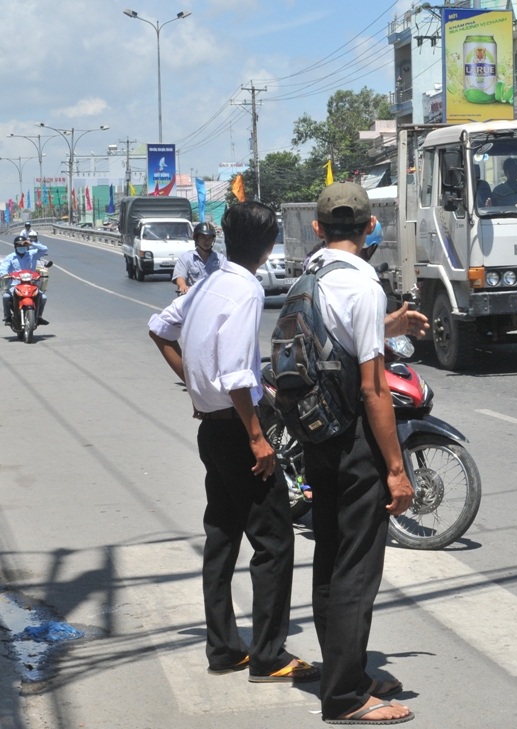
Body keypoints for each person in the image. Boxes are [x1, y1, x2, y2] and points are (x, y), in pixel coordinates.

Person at [147, 202, 319, 685]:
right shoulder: (244, 288)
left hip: (212, 427)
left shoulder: (208, 282)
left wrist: (196, 387)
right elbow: (239, 374)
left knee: (222, 537)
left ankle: (224, 648)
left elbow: (159, 328)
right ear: (268, 247)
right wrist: (257, 437)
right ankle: (268, 656)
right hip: (240, 428)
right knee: (274, 542)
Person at [303, 182, 425, 725]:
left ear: (318, 227)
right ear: (370, 226)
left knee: (330, 555)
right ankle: (347, 696)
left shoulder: (311, 274)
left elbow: (340, 341)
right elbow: (375, 389)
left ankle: (341, 671)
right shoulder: (364, 284)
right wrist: (396, 470)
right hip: (353, 436)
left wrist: (389, 324)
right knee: (358, 566)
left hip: (316, 432)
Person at [2, 234, 49, 325]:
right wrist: (4, 274)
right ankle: (7, 317)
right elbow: (3, 268)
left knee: (43, 297)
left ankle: (39, 317)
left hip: (31, 284)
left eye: (24, 245)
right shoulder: (10, 257)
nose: (22, 247)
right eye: (20, 245)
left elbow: (44, 249)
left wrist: (31, 243)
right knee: (6, 297)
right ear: (15, 246)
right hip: (15, 284)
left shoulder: (32, 254)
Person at [172, 222, 222, 296]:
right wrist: (183, 286)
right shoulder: (186, 258)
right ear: (196, 239)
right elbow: (179, 276)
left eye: (209, 238)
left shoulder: (220, 259)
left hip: (214, 298)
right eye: (203, 238)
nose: (206, 241)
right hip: (192, 298)